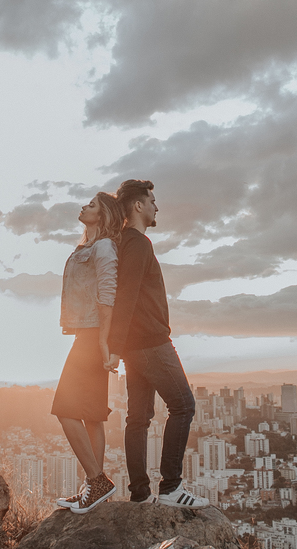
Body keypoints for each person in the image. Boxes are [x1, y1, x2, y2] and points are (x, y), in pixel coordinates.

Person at [106, 179, 209, 508]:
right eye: (151, 200)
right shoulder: (137, 243)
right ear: (138, 206)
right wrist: (113, 345)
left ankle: (139, 494)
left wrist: (118, 346)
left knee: (138, 416)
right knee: (184, 406)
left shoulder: (123, 242)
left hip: (134, 346)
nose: (156, 207)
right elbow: (126, 296)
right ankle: (171, 489)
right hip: (150, 343)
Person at [51, 191, 123, 514]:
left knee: (65, 409)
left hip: (93, 338)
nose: (83, 206)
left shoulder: (104, 247)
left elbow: (108, 295)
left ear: (104, 215)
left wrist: (106, 342)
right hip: (89, 334)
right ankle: (91, 489)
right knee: (92, 416)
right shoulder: (90, 246)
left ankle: (96, 481)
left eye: (91, 204)